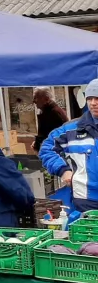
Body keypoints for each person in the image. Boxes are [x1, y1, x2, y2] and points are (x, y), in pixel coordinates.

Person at [41, 79, 98, 213]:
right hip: (86, 202)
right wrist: (63, 170)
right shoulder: (70, 130)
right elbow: (47, 148)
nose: (93, 103)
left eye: (97, 98)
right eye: (90, 98)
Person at [33, 87, 69, 152]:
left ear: (46, 99)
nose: (34, 101)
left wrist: (38, 145)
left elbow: (53, 136)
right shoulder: (47, 111)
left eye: (36, 97)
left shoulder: (53, 113)